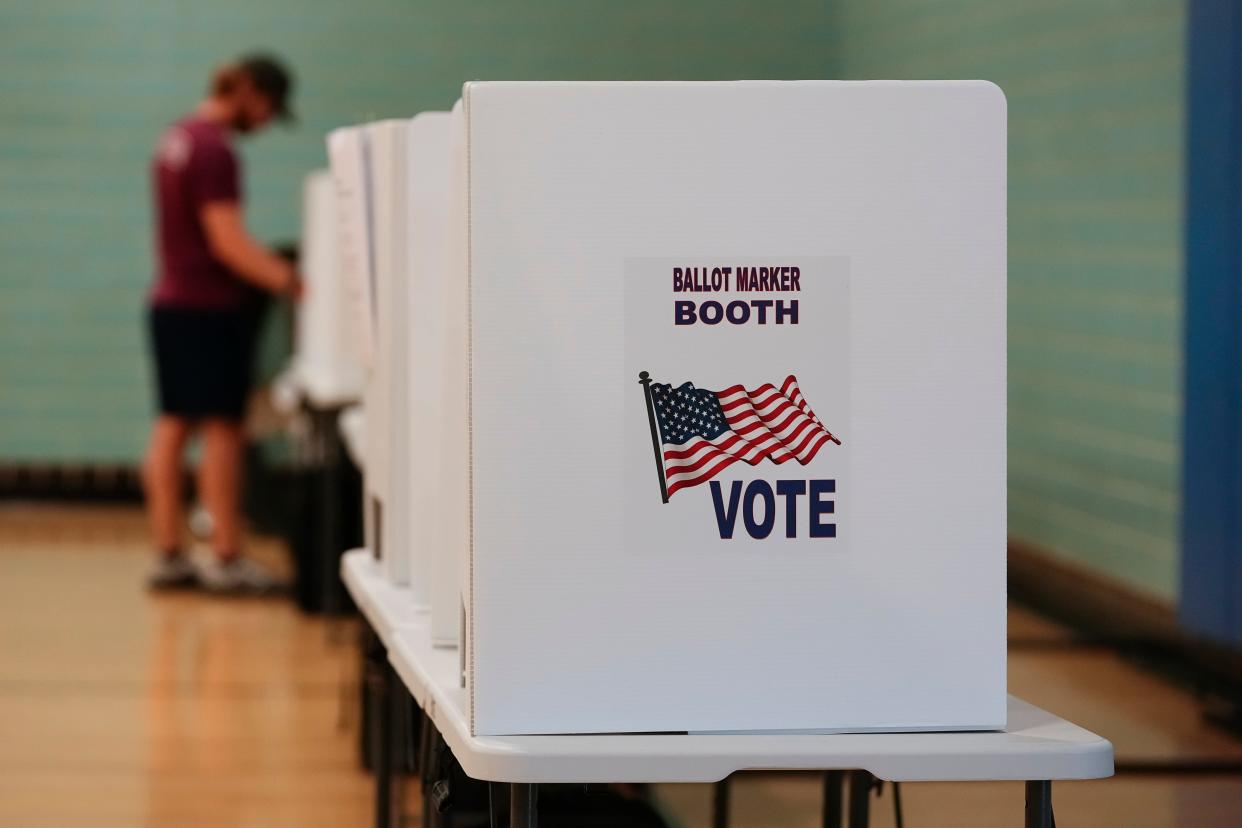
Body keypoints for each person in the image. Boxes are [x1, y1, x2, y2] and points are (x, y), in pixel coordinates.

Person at [143, 54, 300, 592]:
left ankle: (170, 552)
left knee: (173, 424)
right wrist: (293, 281)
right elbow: (227, 242)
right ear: (250, 91)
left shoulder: (177, 138)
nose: (263, 123)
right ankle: (227, 557)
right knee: (223, 429)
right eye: (268, 109)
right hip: (206, 305)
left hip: (170, 300)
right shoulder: (215, 151)